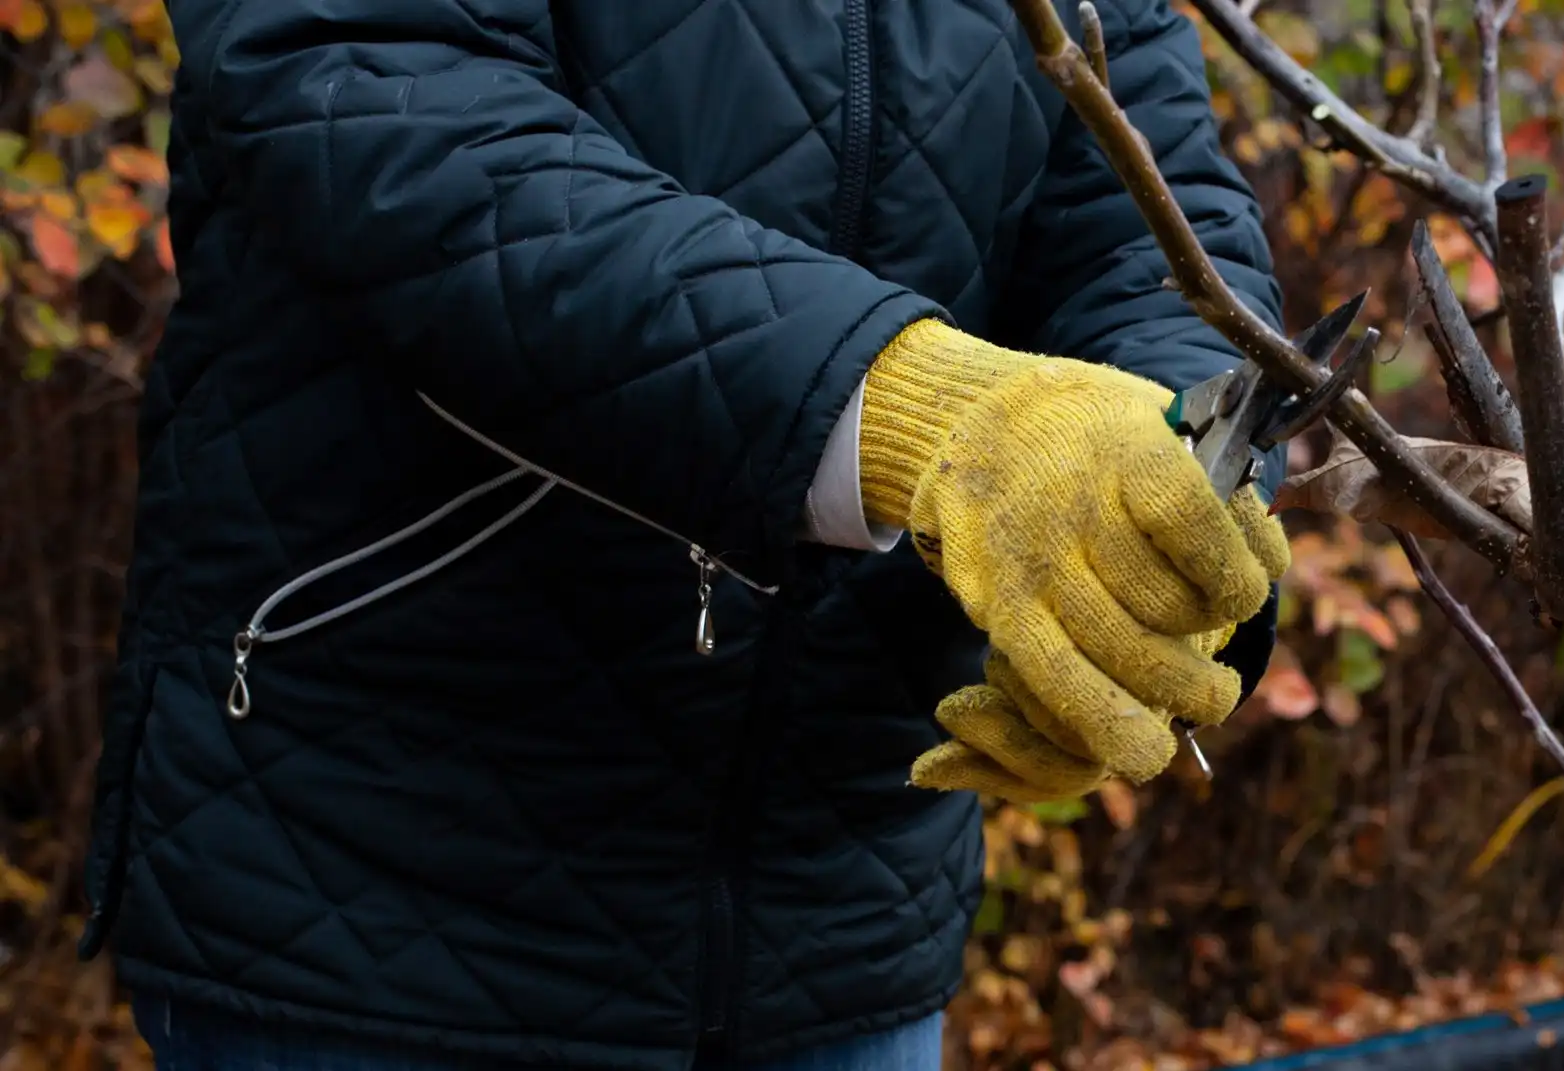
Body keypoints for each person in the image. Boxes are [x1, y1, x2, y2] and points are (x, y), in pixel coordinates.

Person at [80, 1, 1293, 1068]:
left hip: (845, 911)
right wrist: (905, 410)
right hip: (383, 891)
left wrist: (1158, 531)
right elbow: (380, 107)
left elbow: (1150, 212)